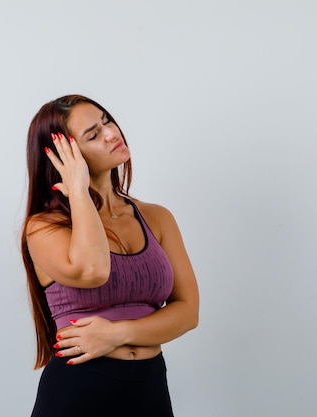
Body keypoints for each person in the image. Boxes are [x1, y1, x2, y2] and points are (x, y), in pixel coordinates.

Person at [21, 94, 199, 417]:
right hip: (79, 390)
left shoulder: (157, 218)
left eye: (106, 121)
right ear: (65, 156)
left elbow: (189, 312)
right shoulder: (44, 227)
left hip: (150, 390)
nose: (112, 132)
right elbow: (94, 270)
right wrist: (78, 189)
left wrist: (117, 333)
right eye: (93, 134)